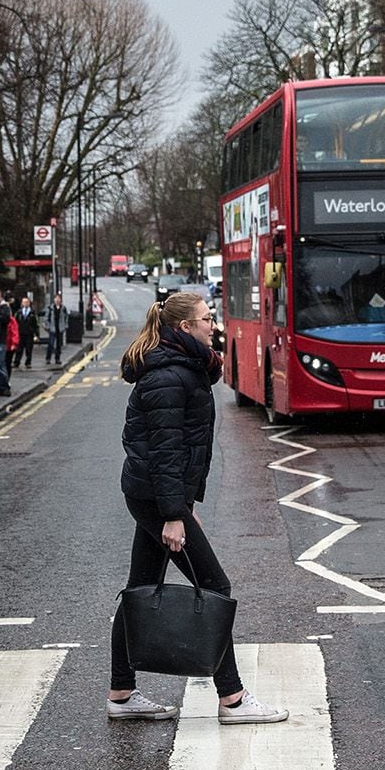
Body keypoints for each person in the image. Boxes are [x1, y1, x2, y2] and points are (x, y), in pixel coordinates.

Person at [109, 291, 288, 725]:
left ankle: (121, 692)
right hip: (156, 496)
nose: (214, 325)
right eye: (207, 319)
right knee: (214, 588)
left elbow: (178, 450)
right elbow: (166, 451)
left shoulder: (184, 368)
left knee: (140, 589)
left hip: (156, 496)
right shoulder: (169, 377)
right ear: (184, 328)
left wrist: (182, 505)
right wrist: (174, 513)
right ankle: (233, 699)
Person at [14, 296, 38, 369]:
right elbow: (15, 323)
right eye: (24, 302)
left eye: (27, 302)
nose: (25, 303)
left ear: (29, 303)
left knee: (29, 349)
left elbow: (35, 324)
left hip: (29, 334)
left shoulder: (32, 313)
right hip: (20, 333)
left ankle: (28, 363)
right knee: (19, 349)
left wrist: (36, 335)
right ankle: (16, 362)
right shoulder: (19, 312)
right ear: (22, 303)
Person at [45, 292, 68, 366]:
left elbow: (66, 317)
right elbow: (46, 318)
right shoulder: (50, 308)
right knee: (51, 344)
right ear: (54, 300)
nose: (57, 300)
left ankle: (57, 359)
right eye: (56, 298)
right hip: (52, 328)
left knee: (58, 345)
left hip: (60, 328)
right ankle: (48, 358)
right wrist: (47, 326)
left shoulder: (63, 308)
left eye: (59, 298)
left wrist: (65, 326)